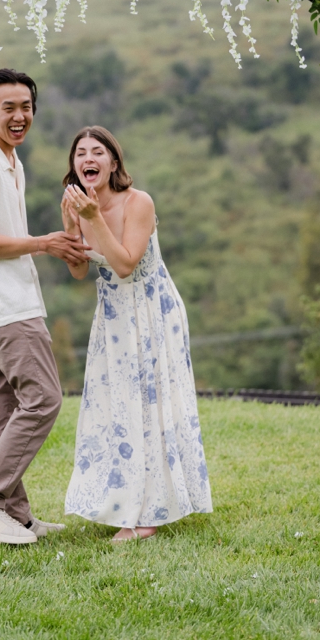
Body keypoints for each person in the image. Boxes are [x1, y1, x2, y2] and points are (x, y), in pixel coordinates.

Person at [0, 68, 90, 545]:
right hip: (5, 308)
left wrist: (62, 235)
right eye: (8, 107)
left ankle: (16, 516)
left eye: (26, 106)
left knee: (0, 416)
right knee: (44, 400)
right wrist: (42, 244)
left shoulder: (10, 161)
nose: (19, 116)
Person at [60, 126, 212, 541]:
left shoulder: (138, 202)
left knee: (150, 407)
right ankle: (120, 503)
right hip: (111, 319)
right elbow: (77, 271)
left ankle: (149, 514)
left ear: (113, 163)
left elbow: (125, 264)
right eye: (80, 153)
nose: (87, 158)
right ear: (75, 165)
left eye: (97, 152)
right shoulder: (79, 206)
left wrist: (92, 220)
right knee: (114, 409)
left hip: (150, 312)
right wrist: (72, 228)